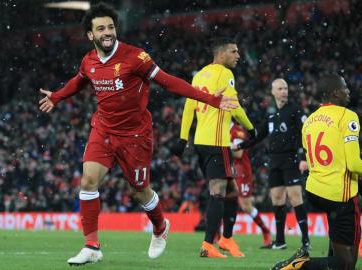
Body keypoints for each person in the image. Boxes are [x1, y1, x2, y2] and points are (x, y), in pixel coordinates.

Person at [38, 3, 238, 266]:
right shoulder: (89, 61)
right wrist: (58, 96)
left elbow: (168, 81)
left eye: (110, 27)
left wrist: (210, 99)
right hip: (104, 130)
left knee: (139, 191)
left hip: (135, 136)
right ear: (90, 35)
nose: (107, 32)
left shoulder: (136, 57)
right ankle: (91, 245)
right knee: (88, 180)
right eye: (100, 28)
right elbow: (80, 80)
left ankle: (160, 227)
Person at [271, 73, 362, 270]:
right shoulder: (348, 116)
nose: (348, 90)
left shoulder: (309, 121)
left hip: (315, 191)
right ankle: (301, 265)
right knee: (346, 264)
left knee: (337, 242)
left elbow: (327, 162)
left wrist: (359, 185)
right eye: (345, 87)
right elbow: (353, 164)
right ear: (335, 93)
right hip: (339, 196)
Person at [174, 37, 257, 258]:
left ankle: (227, 238)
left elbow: (189, 107)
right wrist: (251, 127)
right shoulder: (225, 74)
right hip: (217, 141)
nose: (238, 55)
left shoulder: (199, 75)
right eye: (234, 51)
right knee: (218, 191)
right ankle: (208, 244)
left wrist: (183, 139)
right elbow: (234, 105)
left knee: (230, 191)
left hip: (201, 142)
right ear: (221, 54)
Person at [236, 78, 310, 250]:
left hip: (291, 159)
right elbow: (258, 136)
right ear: (273, 92)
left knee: (295, 197)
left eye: (285, 88)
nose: (284, 91)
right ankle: (280, 241)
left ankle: (306, 240)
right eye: (280, 88)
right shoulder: (271, 114)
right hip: (274, 161)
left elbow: (306, 132)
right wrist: (240, 145)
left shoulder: (295, 110)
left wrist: (304, 156)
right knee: (277, 199)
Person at [230, 122, 272, 246]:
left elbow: (238, 153)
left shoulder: (238, 132)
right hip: (229, 170)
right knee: (221, 200)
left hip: (242, 172)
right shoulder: (221, 130)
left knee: (245, 206)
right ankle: (216, 236)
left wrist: (222, 145)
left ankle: (265, 230)